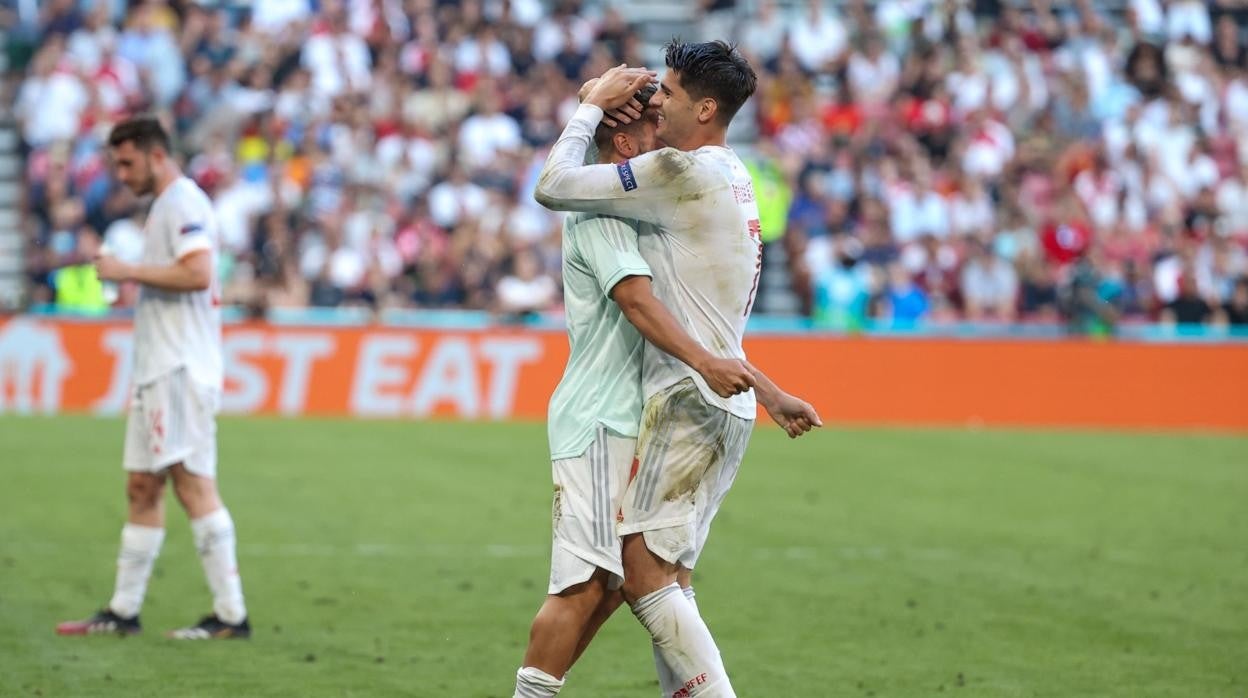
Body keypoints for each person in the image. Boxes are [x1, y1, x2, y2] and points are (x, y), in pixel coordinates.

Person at [515, 83, 819, 698]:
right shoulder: (601, 210)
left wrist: (765, 387)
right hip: (601, 416)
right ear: (624, 143)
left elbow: (693, 318)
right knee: (585, 586)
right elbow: (638, 302)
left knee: (643, 581)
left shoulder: (651, 205)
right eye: (654, 123)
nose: (666, 136)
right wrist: (589, 107)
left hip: (643, 412)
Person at [55, 116, 250, 640]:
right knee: (142, 486)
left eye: (127, 162)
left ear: (155, 154)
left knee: (191, 485)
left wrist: (128, 271)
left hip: (179, 368)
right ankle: (123, 612)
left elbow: (199, 273)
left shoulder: (183, 201)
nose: (121, 174)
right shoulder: (166, 207)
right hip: (158, 368)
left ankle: (231, 616)